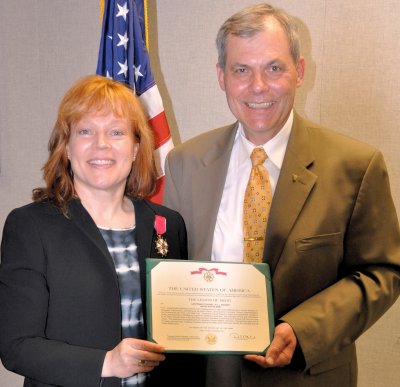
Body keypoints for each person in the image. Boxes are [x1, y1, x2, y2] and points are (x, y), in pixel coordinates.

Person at [163, 3, 400, 387]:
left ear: (299, 71)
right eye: (242, 70)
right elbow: (167, 272)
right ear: (222, 77)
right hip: (205, 376)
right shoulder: (184, 164)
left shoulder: (356, 166)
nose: (258, 86)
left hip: (305, 376)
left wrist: (302, 329)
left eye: (274, 68)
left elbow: (382, 272)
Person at [0, 75, 204, 387]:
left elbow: (180, 332)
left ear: (136, 148)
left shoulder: (168, 225)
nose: (101, 144)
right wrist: (106, 363)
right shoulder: (30, 227)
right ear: (66, 146)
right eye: (86, 131)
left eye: (116, 132)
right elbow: (16, 347)